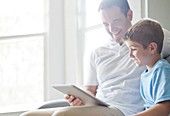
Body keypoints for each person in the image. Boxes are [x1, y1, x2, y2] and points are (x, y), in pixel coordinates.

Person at [20, 0, 170, 116]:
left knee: (63, 115)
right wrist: (80, 99)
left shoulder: (146, 40)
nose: (112, 29)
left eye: (116, 21)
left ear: (129, 15)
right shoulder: (97, 52)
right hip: (98, 107)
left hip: (123, 110)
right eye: (106, 24)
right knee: (30, 114)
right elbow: (90, 90)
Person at [123, 19, 170, 116]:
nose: (130, 55)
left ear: (152, 48)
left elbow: (164, 108)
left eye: (134, 49)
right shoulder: (146, 74)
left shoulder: (162, 69)